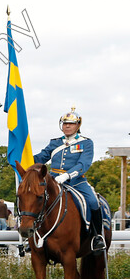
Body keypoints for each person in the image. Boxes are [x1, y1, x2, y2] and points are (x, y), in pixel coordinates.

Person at [33, 107, 105, 253]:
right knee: (34, 199)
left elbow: (83, 164)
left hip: (76, 181)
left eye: (71, 124)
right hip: (53, 181)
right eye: (65, 123)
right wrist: (22, 158)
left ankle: (97, 237)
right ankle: (32, 235)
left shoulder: (86, 143)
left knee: (93, 202)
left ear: (78, 126)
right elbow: (40, 158)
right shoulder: (55, 143)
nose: (67, 126)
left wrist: (66, 176)